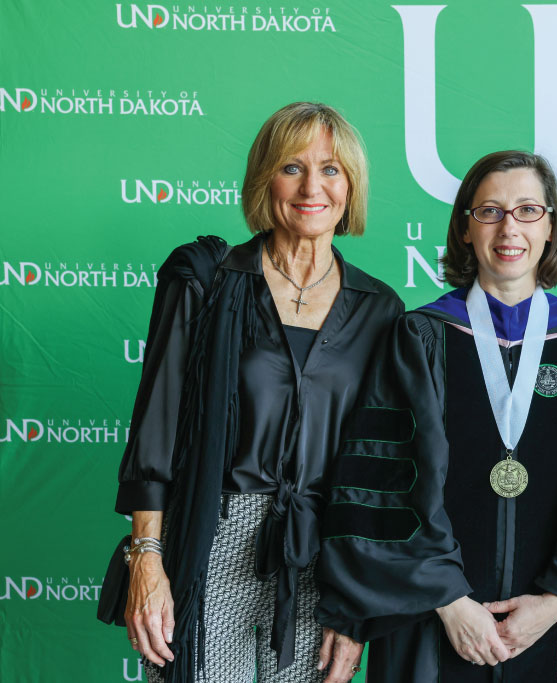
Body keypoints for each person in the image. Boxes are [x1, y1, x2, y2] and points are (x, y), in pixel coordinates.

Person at [315, 150, 557, 682]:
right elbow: (387, 482)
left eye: (527, 210)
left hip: (549, 626)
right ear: (466, 229)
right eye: (490, 211)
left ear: (550, 229)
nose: (508, 227)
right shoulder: (420, 338)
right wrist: (450, 600)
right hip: (430, 620)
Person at [100, 102, 403, 683]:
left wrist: (357, 605)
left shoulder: (380, 309)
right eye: (292, 167)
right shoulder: (206, 281)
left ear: (352, 185)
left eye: (331, 170)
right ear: (266, 177)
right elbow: (156, 428)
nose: (312, 186)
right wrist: (147, 558)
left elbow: (378, 471)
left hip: (320, 553)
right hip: (212, 539)